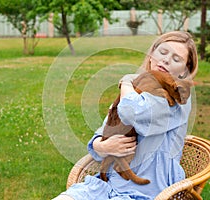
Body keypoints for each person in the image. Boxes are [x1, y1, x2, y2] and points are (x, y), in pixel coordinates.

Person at [53, 31, 198, 200]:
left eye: (176, 59)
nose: (166, 60)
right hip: (106, 185)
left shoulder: (177, 99)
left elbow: (130, 112)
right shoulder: (135, 88)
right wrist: (102, 146)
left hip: (146, 192)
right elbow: (104, 131)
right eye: (163, 52)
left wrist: (126, 81)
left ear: (184, 71)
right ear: (151, 55)